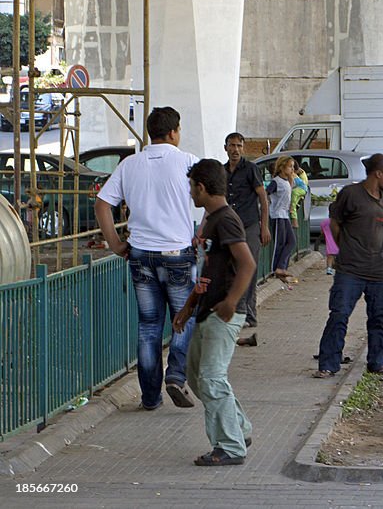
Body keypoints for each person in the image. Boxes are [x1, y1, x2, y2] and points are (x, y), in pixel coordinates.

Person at [96, 106, 199, 411]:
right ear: (173, 132)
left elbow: (102, 204)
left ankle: (150, 396)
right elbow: (214, 195)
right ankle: (176, 375)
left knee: (149, 326)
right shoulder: (188, 162)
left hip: (140, 254)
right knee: (184, 318)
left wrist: (115, 243)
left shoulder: (130, 165)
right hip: (178, 252)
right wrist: (202, 231)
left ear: (150, 132)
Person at [171, 159, 256, 467]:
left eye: (192, 187)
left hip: (224, 312)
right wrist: (189, 306)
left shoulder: (226, 220)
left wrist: (232, 302)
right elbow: (209, 268)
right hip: (207, 309)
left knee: (211, 379)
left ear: (202, 187)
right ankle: (240, 430)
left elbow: (247, 264)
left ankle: (230, 447)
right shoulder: (211, 220)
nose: (191, 194)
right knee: (197, 377)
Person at [315, 153, 383, 378]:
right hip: (350, 270)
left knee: (380, 317)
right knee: (339, 314)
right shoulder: (351, 194)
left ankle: (378, 362)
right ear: (378, 173)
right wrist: (345, 247)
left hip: (378, 270)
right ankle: (328, 364)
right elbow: (335, 223)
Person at [223, 133, 270, 329]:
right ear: (225, 147)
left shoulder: (251, 169)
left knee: (248, 269)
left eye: (239, 146)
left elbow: (263, 198)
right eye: (232, 145)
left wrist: (264, 226)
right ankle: (236, 310)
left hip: (249, 225)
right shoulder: (221, 170)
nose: (235, 149)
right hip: (229, 228)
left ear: (243, 148)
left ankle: (247, 313)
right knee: (230, 269)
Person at [266, 156, 296, 280]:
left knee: (291, 241)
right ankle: (276, 268)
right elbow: (266, 193)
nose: (292, 169)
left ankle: (282, 266)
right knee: (280, 242)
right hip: (277, 215)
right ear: (282, 167)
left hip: (284, 215)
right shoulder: (276, 182)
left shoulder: (287, 181)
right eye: (290, 166)